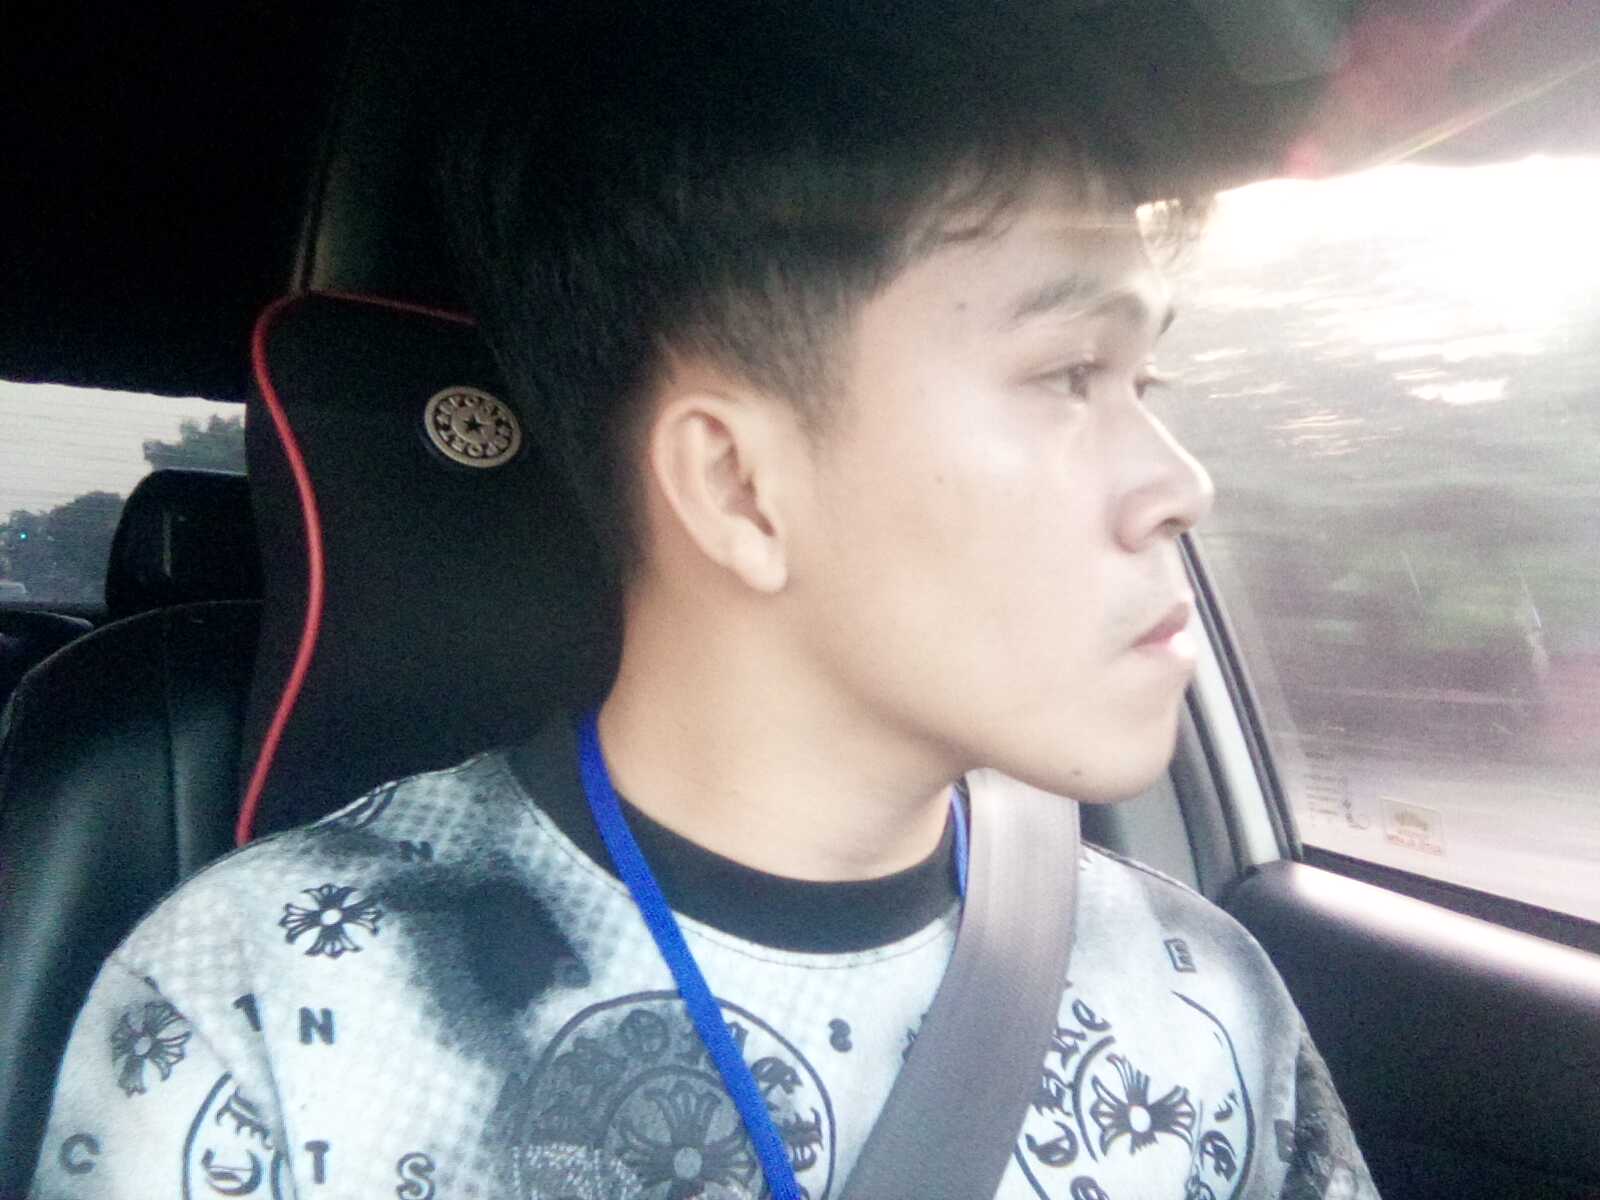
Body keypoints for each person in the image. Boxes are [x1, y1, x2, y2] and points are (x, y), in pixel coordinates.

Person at [30, 3, 1379, 1197]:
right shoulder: (257, 1007)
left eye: (1148, 383)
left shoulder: (1209, 1003)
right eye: (1069, 375)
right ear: (738, 486)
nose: (1182, 484)